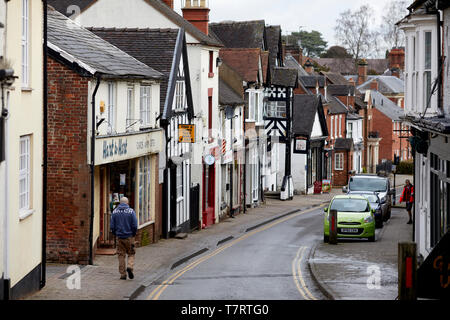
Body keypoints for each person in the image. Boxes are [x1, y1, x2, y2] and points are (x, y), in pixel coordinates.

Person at [110, 197, 138, 280]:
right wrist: (133, 233)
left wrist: (116, 233)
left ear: (120, 203)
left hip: (119, 237)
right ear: (127, 203)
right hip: (129, 236)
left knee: (121, 255)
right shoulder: (131, 211)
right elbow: (135, 225)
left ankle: (123, 274)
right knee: (131, 253)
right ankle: (130, 267)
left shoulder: (115, 212)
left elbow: (112, 226)